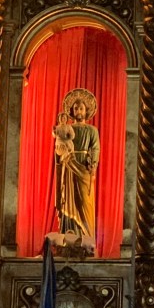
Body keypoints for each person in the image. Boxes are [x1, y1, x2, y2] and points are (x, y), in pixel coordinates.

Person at [54, 88, 100, 240]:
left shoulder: (92, 130)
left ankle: (86, 238)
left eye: (81, 108)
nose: (78, 111)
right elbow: (59, 144)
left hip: (84, 166)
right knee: (68, 198)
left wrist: (93, 163)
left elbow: (95, 148)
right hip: (69, 163)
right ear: (72, 111)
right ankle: (70, 235)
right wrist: (61, 153)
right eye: (75, 108)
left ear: (86, 111)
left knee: (85, 202)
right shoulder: (67, 128)